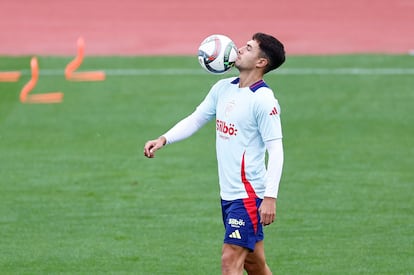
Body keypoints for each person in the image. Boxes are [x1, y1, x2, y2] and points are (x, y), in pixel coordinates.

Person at [144, 32, 286, 275]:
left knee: (229, 261)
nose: (240, 49)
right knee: (254, 263)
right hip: (228, 194)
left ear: (262, 62)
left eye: (249, 48)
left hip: (249, 194)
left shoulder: (263, 100)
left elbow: (276, 150)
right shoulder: (223, 88)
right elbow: (197, 118)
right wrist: (164, 138)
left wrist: (270, 197)